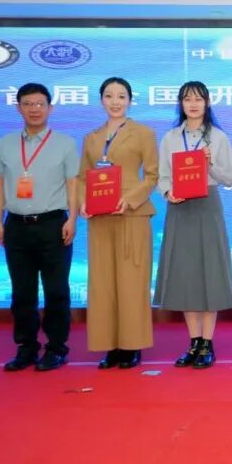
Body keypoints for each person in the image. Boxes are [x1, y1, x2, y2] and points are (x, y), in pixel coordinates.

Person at [0, 83, 79, 371]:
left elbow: (73, 184)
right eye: (28, 104)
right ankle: (26, 347)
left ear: (50, 108)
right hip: (16, 226)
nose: (34, 109)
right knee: (22, 292)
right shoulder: (5, 143)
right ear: (18, 108)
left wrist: (72, 219)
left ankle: (56, 348)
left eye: (40, 104)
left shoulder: (65, 143)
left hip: (53, 224)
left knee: (56, 291)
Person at [154, 81, 232, 369]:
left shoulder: (218, 137)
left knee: (209, 272)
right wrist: (168, 192)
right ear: (181, 103)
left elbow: (230, 178)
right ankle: (193, 342)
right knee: (186, 275)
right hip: (180, 207)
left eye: (198, 99)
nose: (193, 104)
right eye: (187, 99)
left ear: (207, 103)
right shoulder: (170, 138)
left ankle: (207, 343)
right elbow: (162, 176)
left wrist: (211, 163)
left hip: (207, 205)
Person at [77, 77, 159, 369]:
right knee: (103, 283)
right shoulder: (91, 138)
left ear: (130, 100)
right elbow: (82, 177)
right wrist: (83, 202)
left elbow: (152, 175)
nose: (115, 102)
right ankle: (109, 345)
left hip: (131, 213)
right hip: (99, 216)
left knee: (131, 281)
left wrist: (131, 198)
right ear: (101, 100)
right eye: (109, 96)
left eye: (121, 96)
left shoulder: (144, 133)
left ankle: (131, 345)